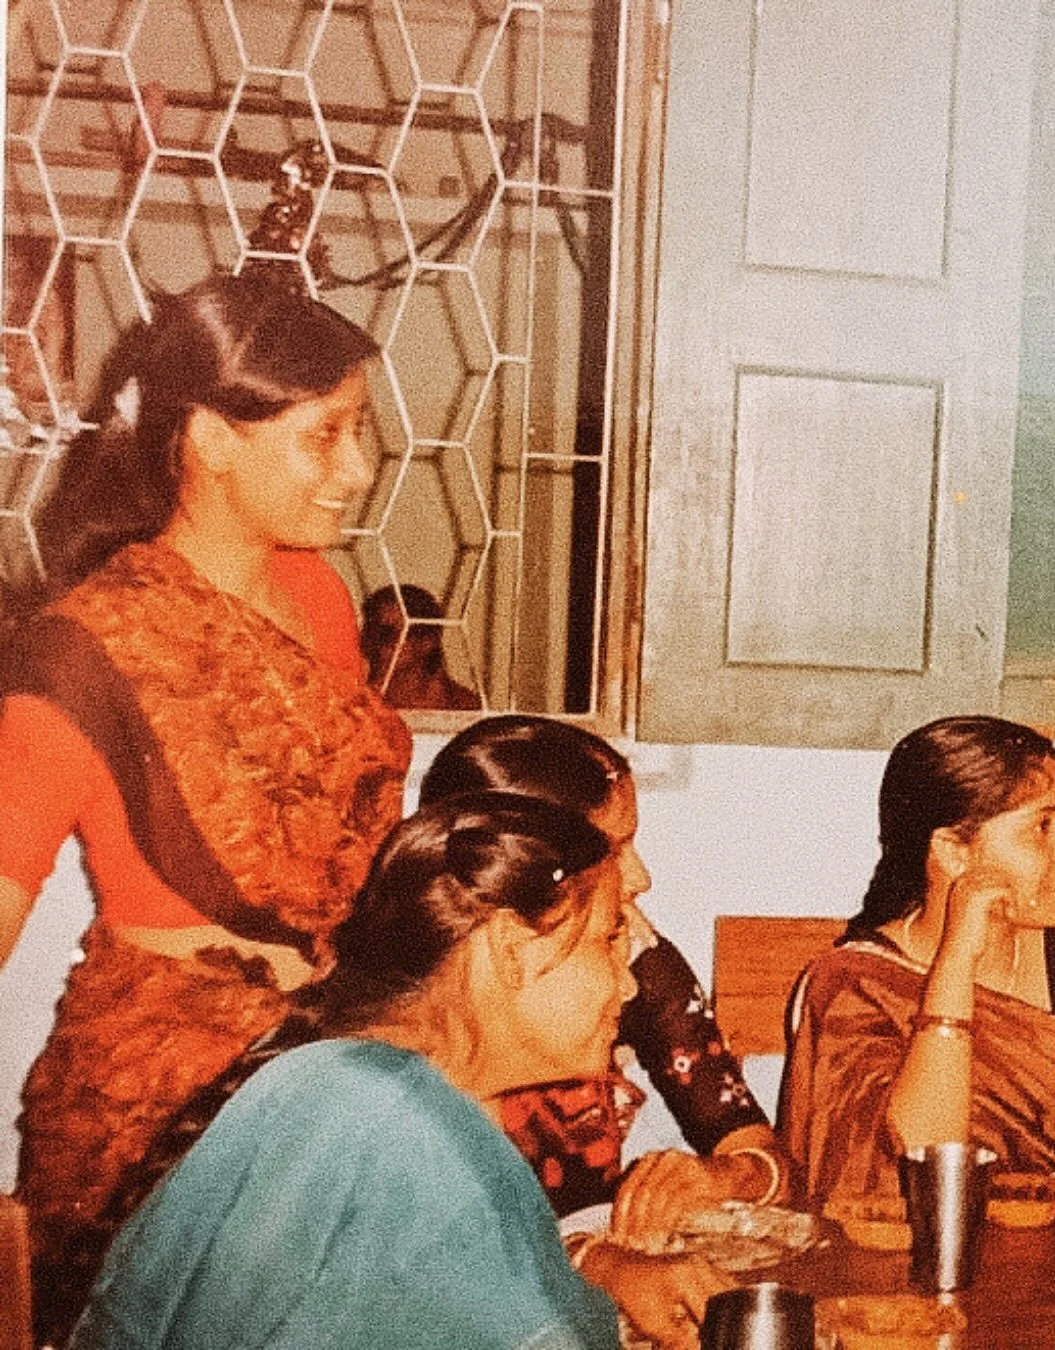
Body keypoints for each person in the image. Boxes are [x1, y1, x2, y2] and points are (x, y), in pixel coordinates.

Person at [0, 271, 412, 1345]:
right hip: (164, 1107)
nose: (358, 472)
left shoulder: (321, 603)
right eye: (326, 437)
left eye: (358, 432)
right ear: (213, 439)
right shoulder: (81, 654)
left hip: (327, 1061)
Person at [69, 792, 644, 1349]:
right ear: (514, 951)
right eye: (609, 939)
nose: (629, 982)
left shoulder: (357, 1084)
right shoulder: (395, 1121)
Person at [417, 716, 786, 1228]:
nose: (641, 877)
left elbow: (756, 1146)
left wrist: (729, 1175)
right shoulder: (412, 1002)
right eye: (614, 850)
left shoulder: (632, 958)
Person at [778, 714, 1055, 1207]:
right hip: (914, 1265)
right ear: (952, 852)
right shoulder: (853, 989)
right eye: (1041, 827)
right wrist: (958, 958)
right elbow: (913, 1164)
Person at [361, 582, 482, 710]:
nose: (377, 643)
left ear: (427, 642)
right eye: (372, 632)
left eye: (388, 634)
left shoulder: (462, 706)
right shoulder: (358, 699)